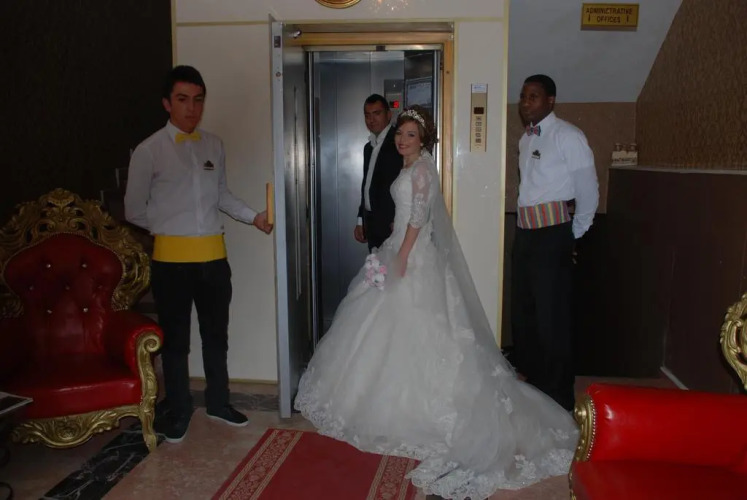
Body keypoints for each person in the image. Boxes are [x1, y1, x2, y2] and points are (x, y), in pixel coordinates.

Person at [295, 105, 578, 500]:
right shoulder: (409, 168)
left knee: (417, 329)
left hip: (412, 256)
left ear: (423, 139)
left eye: (410, 135)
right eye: (400, 133)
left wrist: (401, 256)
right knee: (380, 327)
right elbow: (408, 213)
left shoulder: (423, 170)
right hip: (399, 246)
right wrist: (394, 237)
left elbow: (417, 219)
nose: (402, 140)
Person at [124, 65, 273, 444]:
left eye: (198, 100)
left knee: (216, 337)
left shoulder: (214, 145)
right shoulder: (149, 150)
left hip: (214, 260)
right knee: (176, 343)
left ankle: (219, 402)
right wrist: (172, 226)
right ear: (167, 103)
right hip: (170, 262)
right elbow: (133, 209)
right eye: (183, 100)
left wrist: (254, 217)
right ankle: (178, 410)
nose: (192, 108)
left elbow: (222, 195)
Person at [512, 74, 599, 411]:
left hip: (552, 235)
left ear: (551, 101)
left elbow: (588, 190)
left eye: (533, 96)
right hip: (525, 234)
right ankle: (535, 386)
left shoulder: (569, 136)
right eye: (523, 96)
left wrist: (573, 233)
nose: (525, 102)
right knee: (525, 314)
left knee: (552, 319)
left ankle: (559, 398)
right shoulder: (525, 139)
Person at [354, 94, 403, 251]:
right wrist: (361, 220)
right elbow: (367, 185)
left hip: (392, 226)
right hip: (372, 224)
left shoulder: (399, 143)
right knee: (374, 266)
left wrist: (399, 221)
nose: (371, 119)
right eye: (367, 115)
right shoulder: (368, 148)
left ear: (388, 115)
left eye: (377, 113)